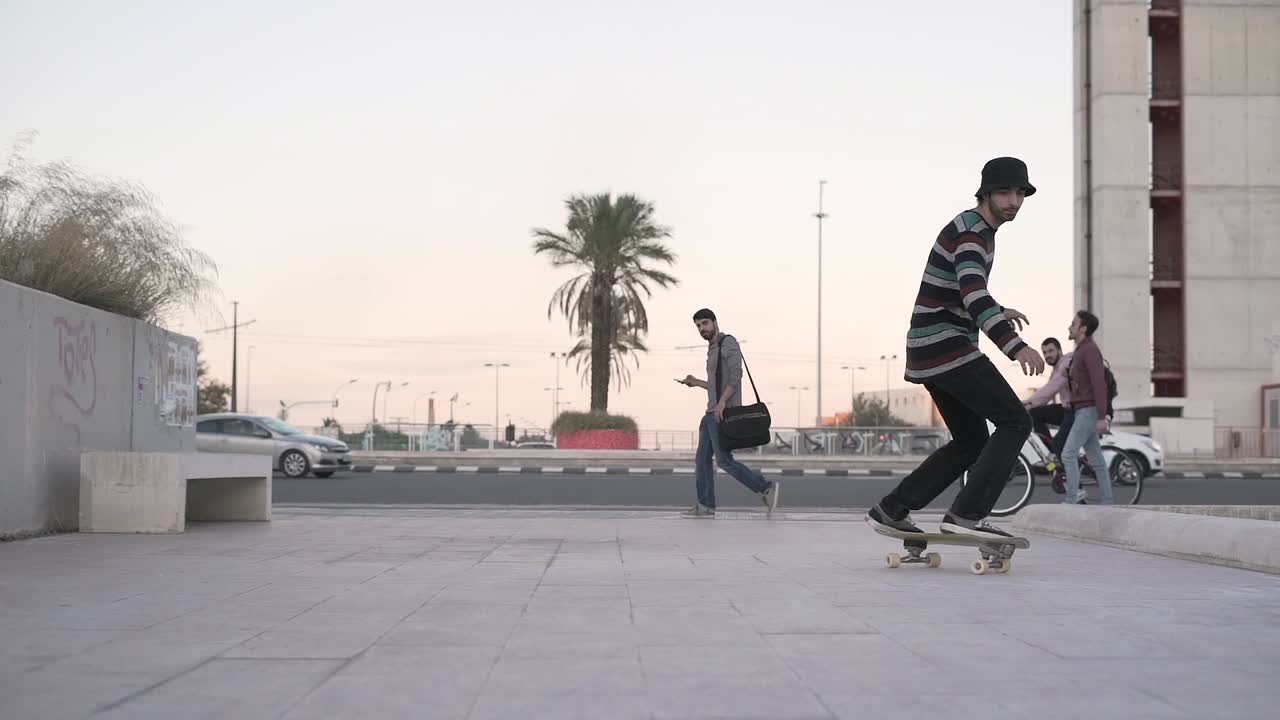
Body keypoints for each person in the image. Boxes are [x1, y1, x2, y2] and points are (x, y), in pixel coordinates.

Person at [865, 156, 1044, 540]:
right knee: (1016, 421)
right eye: (1004, 192)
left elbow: (965, 287)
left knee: (972, 440)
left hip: (931, 347)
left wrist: (997, 308)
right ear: (985, 193)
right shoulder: (972, 233)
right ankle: (966, 515)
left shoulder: (975, 229)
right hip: (947, 346)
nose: (1013, 201)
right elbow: (972, 292)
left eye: (1020, 193)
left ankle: (892, 509)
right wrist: (1015, 346)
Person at [677, 308, 779, 517]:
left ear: (715, 322)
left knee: (724, 460)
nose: (701, 328)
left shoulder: (728, 343)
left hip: (721, 413)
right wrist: (695, 382)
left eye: (705, 323)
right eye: (698, 325)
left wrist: (722, 403)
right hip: (710, 414)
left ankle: (765, 487)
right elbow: (717, 384)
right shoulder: (712, 349)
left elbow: (736, 376)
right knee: (702, 460)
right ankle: (705, 505)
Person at [1061, 310, 1113, 504]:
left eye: (1073, 324)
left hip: (1089, 410)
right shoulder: (1082, 350)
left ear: (1083, 329)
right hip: (1083, 409)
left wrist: (1101, 415)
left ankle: (1071, 499)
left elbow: (1099, 383)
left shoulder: (1089, 350)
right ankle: (1108, 502)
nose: (1069, 326)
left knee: (1068, 454)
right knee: (1097, 460)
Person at [1024, 337, 1074, 493]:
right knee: (1036, 414)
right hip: (1068, 409)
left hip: (1075, 410)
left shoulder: (1066, 363)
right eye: (1044, 352)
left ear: (1059, 350)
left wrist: (1028, 403)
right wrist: (1033, 405)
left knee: (1058, 443)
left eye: (1051, 351)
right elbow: (1048, 395)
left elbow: (1052, 388)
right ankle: (1055, 455)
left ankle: (1057, 456)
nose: (1048, 355)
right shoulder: (1057, 368)